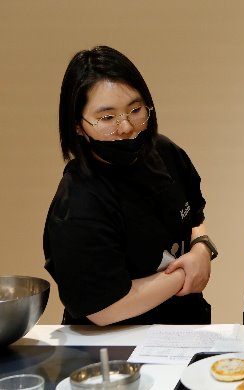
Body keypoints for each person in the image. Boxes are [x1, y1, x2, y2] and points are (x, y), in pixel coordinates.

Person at [43, 46, 217, 325]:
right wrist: (189, 272)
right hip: (115, 344)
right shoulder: (78, 200)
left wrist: (200, 246)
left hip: (183, 324)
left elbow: (195, 217)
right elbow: (104, 309)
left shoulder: (165, 152)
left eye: (135, 110)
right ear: (78, 125)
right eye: (107, 118)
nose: (126, 127)